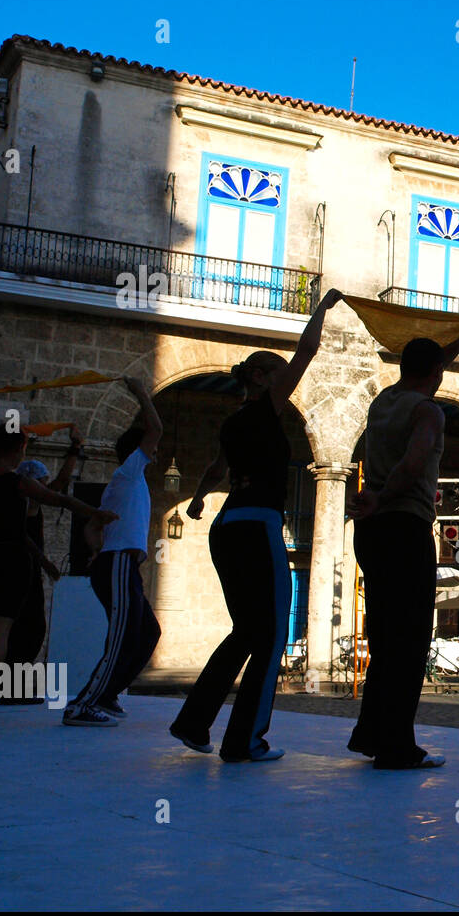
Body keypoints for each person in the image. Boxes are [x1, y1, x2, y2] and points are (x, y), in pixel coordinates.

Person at [171, 289, 345, 760]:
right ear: (263, 377)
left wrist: (200, 500)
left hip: (226, 527)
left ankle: (194, 722)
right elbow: (306, 352)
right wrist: (321, 310)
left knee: (246, 630)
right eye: (277, 371)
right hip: (256, 524)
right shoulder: (268, 405)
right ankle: (246, 740)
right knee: (268, 636)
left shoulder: (233, 422)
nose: (285, 379)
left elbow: (215, 469)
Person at [346, 320, 459, 769]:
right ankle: (397, 748)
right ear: (437, 373)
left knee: (385, 637)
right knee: (410, 642)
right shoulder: (428, 412)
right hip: (404, 525)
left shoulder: (383, 403)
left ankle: (370, 734)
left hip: (372, 533)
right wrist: (382, 497)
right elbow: (413, 465)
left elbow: (429, 366)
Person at [0, 390, 116, 705]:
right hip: (11, 561)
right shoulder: (20, 484)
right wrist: (95, 513)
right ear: (21, 448)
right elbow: (61, 497)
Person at [64, 378, 164, 727]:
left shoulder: (123, 483)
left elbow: (93, 525)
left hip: (121, 564)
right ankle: (82, 705)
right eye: (149, 448)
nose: (155, 450)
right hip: (119, 563)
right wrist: (140, 393)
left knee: (148, 633)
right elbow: (156, 427)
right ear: (138, 451)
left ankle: (105, 696)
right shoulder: (129, 471)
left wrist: (94, 550)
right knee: (121, 639)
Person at [3, 429, 83, 704]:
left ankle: (15, 690)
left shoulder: (32, 498)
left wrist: (74, 449)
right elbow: (21, 537)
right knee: (28, 627)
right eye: (42, 482)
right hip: (20, 569)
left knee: (29, 627)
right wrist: (46, 562)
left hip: (27, 569)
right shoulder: (24, 503)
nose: (46, 487)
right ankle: (14, 692)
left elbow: (59, 485)